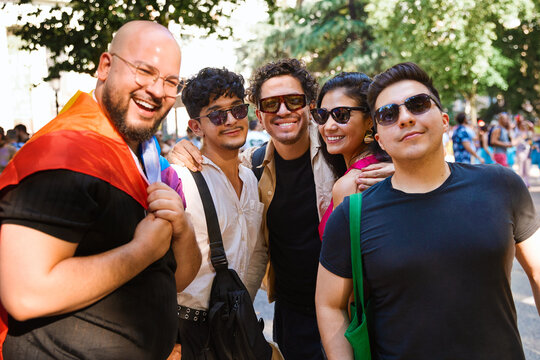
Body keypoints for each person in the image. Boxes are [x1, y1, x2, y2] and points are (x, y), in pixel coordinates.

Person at [168, 59, 394, 360]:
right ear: (260, 114)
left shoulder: (339, 149)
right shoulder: (252, 167)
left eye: (294, 101)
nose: (284, 110)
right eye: (271, 104)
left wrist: (398, 166)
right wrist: (178, 150)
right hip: (290, 317)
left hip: (349, 311)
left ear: (310, 107)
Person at [0, 21, 201, 359]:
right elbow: (26, 295)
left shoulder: (146, 158)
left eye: (169, 82)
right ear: (105, 66)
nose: (156, 89)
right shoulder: (63, 153)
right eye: (144, 71)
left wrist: (182, 228)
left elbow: (175, 279)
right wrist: (142, 250)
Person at [316, 62, 540, 360]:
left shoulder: (501, 185)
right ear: (379, 137)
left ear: (444, 120)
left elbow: (538, 272)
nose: (405, 118)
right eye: (388, 114)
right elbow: (329, 305)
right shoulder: (352, 213)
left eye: (418, 105)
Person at [167, 67, 276, 359]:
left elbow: (253, 255)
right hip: (186, 333)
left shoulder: (251, 178)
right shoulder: (181, 177)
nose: (231, 120)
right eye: (217, 115)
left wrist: (243, 311)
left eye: (238, 109)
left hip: (234, 326)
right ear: (195, 126)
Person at [312, 72, 389, 240]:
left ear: (370, 120)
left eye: (341, 115)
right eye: (323, 115)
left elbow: (344, 262)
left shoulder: (353, 184)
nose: (329, 126)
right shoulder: (386, 168)